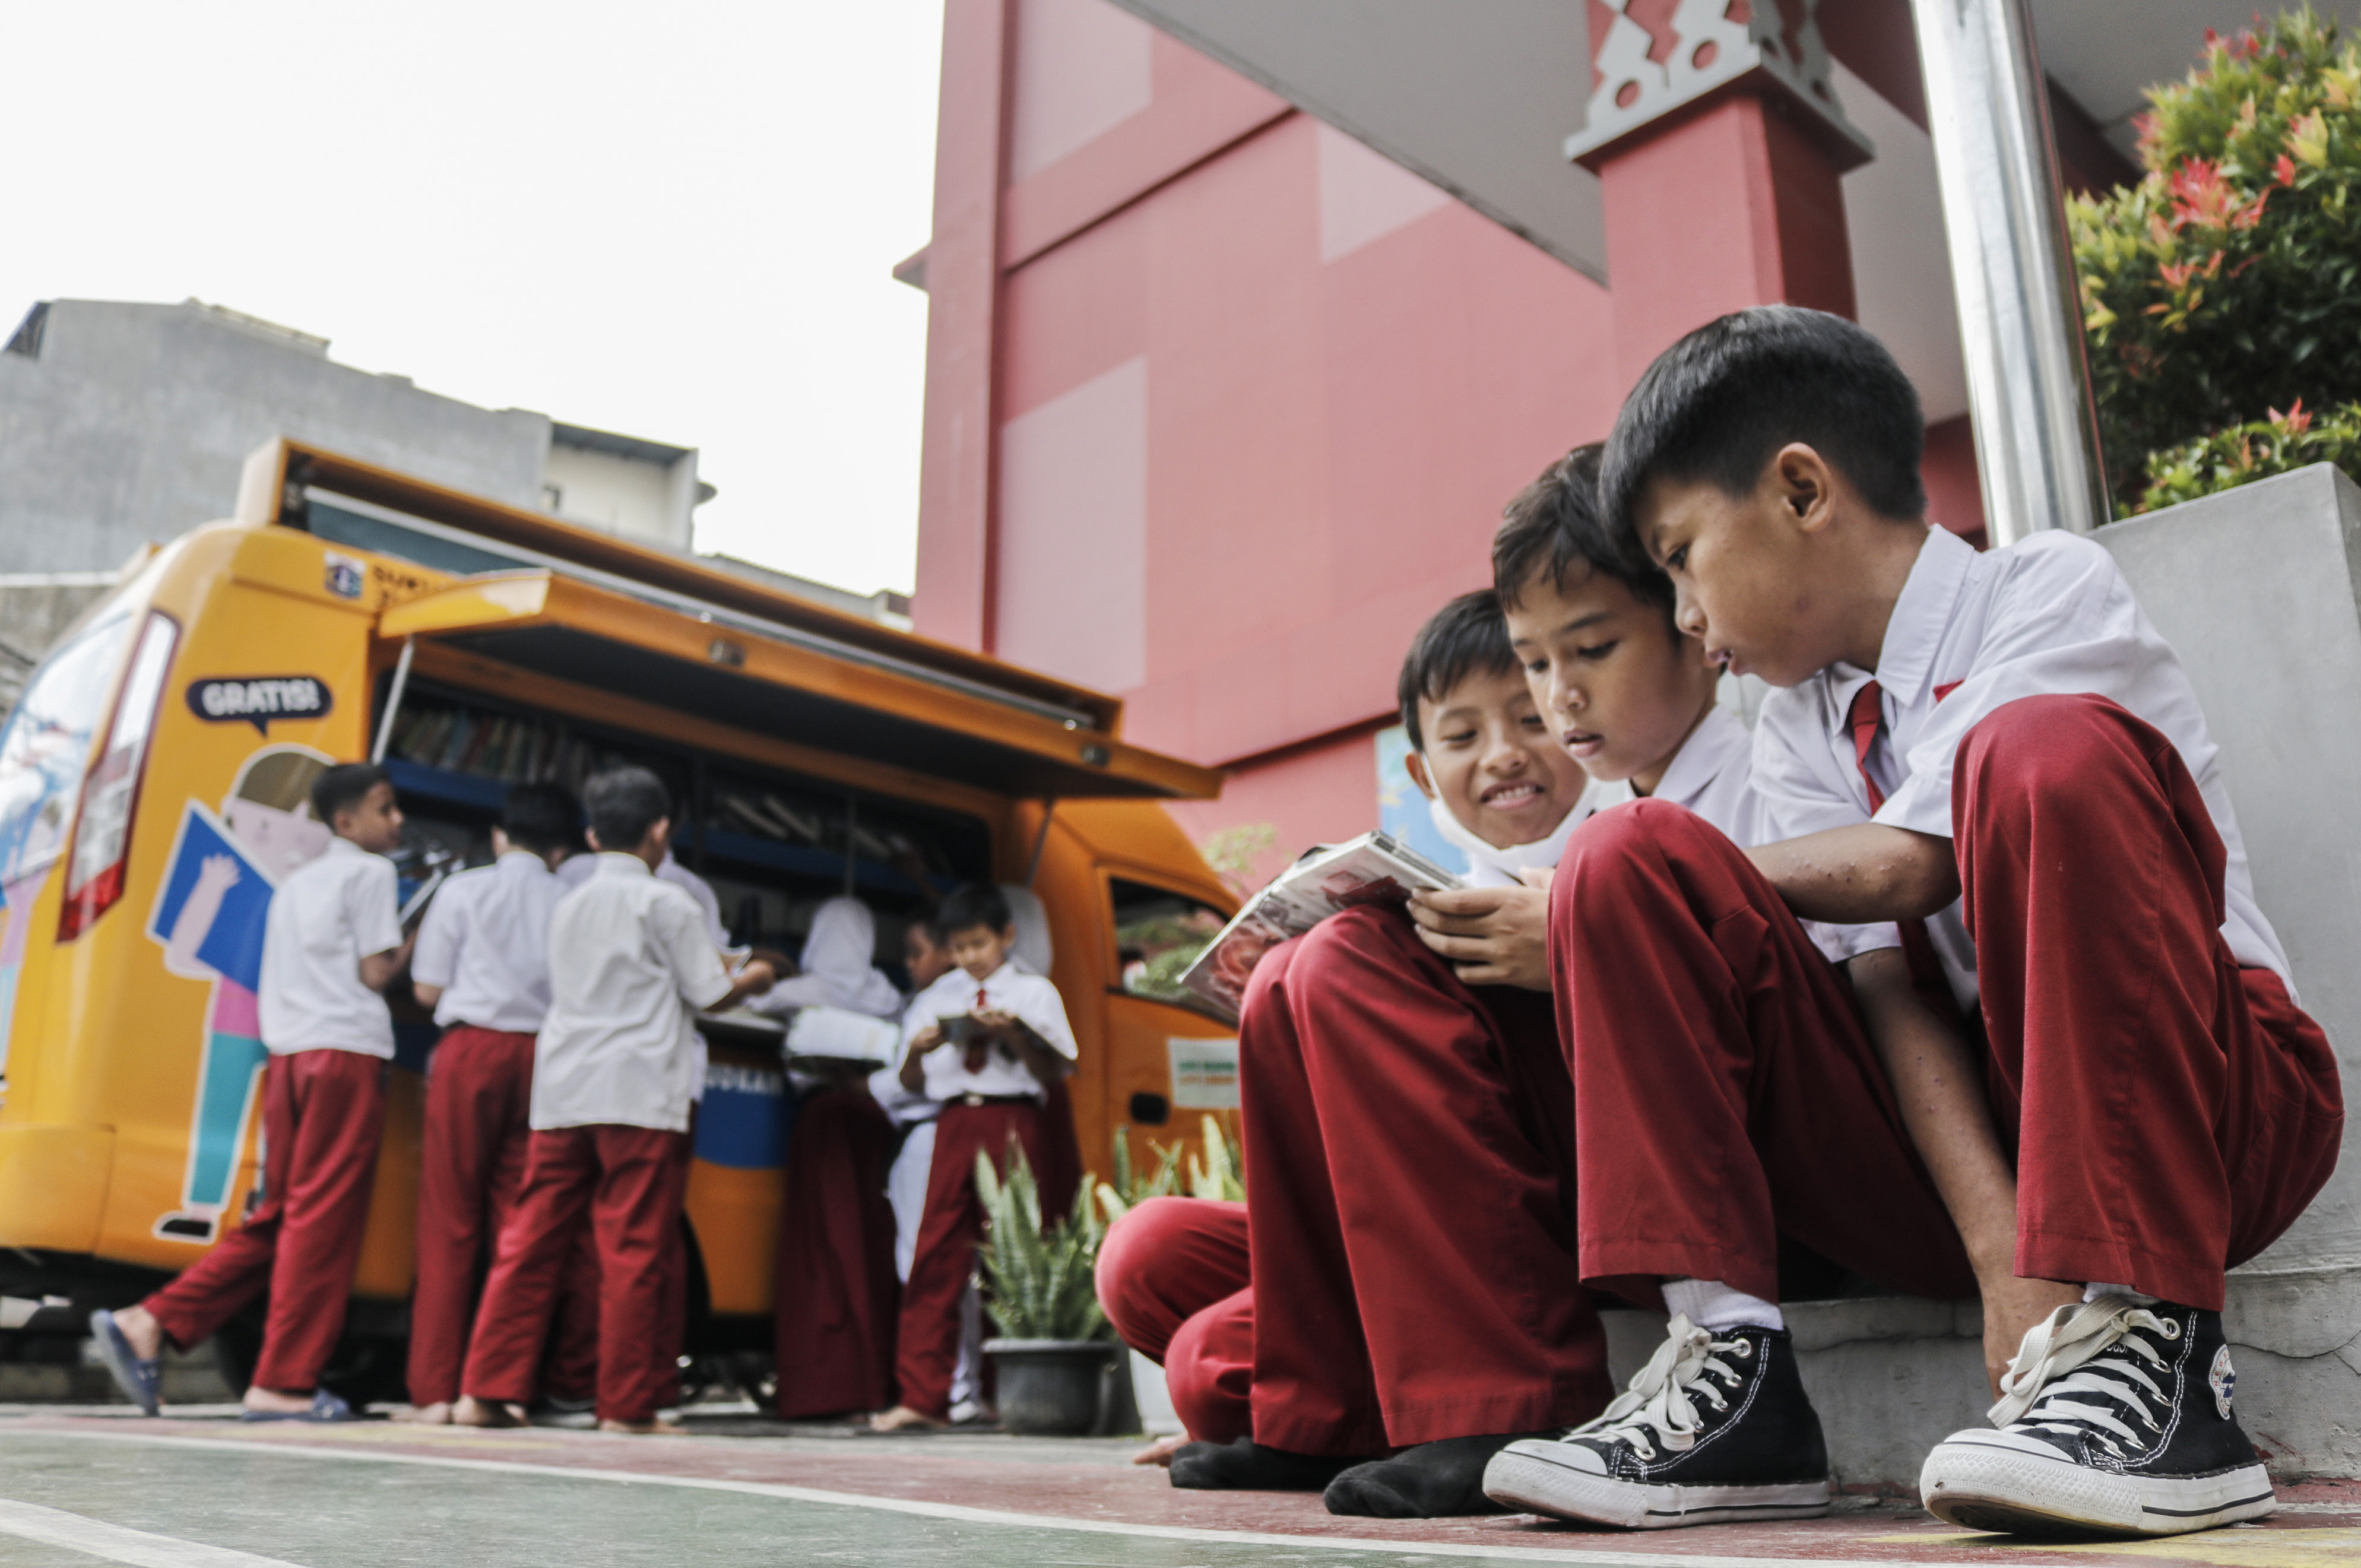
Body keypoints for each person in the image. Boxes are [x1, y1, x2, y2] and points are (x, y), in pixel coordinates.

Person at [1483, 307, 2344, 1539]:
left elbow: (1901, 866)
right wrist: (2002, 1249)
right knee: (1619, 853)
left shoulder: (2043, 587)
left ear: (1796, 490)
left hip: (2212, 1116)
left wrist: (1707, 875)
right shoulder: (1791, 724)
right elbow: (1880, 985)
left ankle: (2155, 1352)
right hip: (1966, 1161)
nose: (1680, 612)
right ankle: (1730, 1372)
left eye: (1679, 556)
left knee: (2035, 749)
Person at [1115, 443, 1772, 1518]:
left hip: (1661, 1168)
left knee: (1340, 962)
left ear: (1691, 632)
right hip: (1539, 1160)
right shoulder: (1582, 827)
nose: (1548, 716)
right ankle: (1324, 1410)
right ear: (1418, 772)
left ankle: (1504, 1398)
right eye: (1476, 725)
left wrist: (1561, 941)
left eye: (1580, 661)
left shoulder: (1681, 802)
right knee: (1289, 983)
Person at [453, 766, 776, 1434]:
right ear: (661, 831)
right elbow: (711, 993)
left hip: (565, 1087)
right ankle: (624, 1406)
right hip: (638, 1089)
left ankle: (484, 1390)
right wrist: (758, 975)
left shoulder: (566, 901)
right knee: (631, 1244)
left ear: (594, 834)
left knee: (530, 1239)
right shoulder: (669, 904)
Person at [93, 763, 414, 1421]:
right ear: (348, 821)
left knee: (279, 1217)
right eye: (387, 808)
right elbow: (375, 971)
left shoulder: (293, 884)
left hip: (290, 1057)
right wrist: (418, 931)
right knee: (321, 1224)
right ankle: (285, 1383)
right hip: (344, 1053)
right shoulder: (372, 874)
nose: (398, 820)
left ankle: (148, 1321)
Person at [400, 782, 597, 1424]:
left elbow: (427, 990)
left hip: (470, 1055)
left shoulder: (463, 889)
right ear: (562, 848)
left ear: (499, 835)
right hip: (545, 1059)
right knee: (524, 1229)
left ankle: (434, 1391)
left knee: (448, 1220)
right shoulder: (574, 899)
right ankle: (501, 1386)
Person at [871, 883, 1079, 1431]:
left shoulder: (1035, 993)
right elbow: (909, 1082)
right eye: (959, 948)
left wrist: (1013, 1033)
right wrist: (917, 1051)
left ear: (1006, 936)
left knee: (1014, 1257)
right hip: (954, 1121)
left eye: (979, 944)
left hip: (1015, 1121)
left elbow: (1054, 1072)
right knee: (934, 1252)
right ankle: (922, 1396)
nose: (969, 958)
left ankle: (1007, 1395)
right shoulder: (937, 997)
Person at [756, 897, 908, 1420]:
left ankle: (827, 1386)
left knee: (823, 1252)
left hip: (824, 1124)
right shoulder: (884, 991)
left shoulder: (805, 988)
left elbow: (745, 1005)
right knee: (871, 1248)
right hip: (874, 1122)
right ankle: (877, 1383)